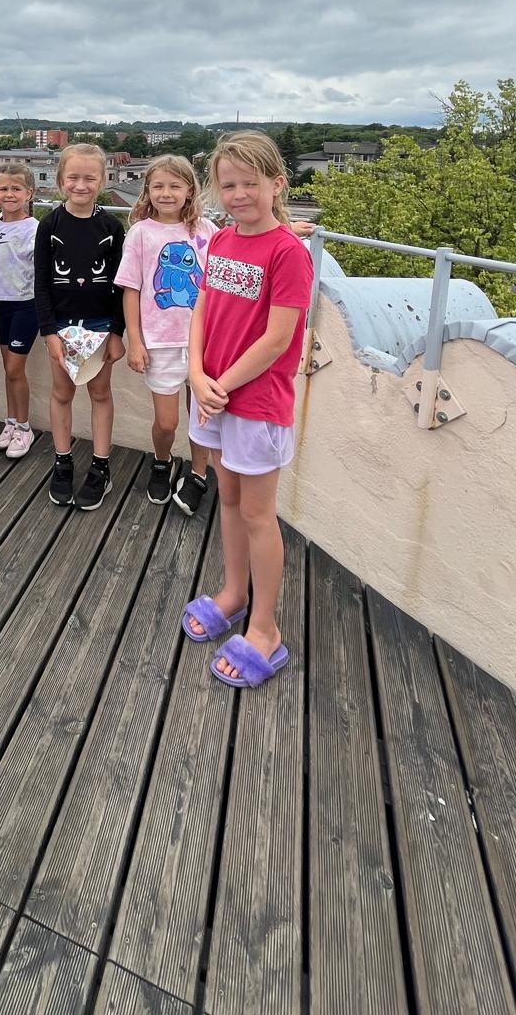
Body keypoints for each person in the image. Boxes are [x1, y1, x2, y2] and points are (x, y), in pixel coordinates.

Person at [181, 131, 313, 689]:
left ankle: (265, 629)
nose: (238, 195)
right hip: (215, 393)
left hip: (254, 403)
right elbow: (202, 309)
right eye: (228, 185)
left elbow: (279, 339)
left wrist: (220, 385)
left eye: (249, 184)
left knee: (259, 514)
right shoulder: (222, 241)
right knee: (229, 498)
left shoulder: (288, 252)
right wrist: (195, 373)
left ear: (277, 184)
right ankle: (234, 593)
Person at [115, 155, 218, 509]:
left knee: (202, 417)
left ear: (190, 190)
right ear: (147, 190)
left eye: (175, 186)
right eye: (158, 186)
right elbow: (131, 289)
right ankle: (163, 461)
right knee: (167, 422)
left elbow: (238, 253)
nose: (166, 193)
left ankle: (199, 473)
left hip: (205, 342)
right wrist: (135, 341)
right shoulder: (140, 233)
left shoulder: (206, 230)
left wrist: (285, 229)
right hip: (160, 344)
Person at [33, 143, 126, 510]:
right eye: (73, 177)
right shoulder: (49, 225)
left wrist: (117, 332)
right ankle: (62, 460)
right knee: (62, 393)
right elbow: (41, 283)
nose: (81, 185)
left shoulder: (112, 227)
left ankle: (101, 466)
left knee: (100, 393)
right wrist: (48, 332)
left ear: (102, 180)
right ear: (61, 180)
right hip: (61, 327)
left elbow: (121, 285)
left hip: (101, 326)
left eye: (90, 178)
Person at [0, 163, 39, 460]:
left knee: (15, 370)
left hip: (26, 305)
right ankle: (11, 421)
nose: (10, 194)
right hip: (2, 304)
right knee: (8, 370)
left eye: (16, 189)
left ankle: (25, 427)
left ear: (29, 193)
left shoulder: (35, 229)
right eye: (3, 189)